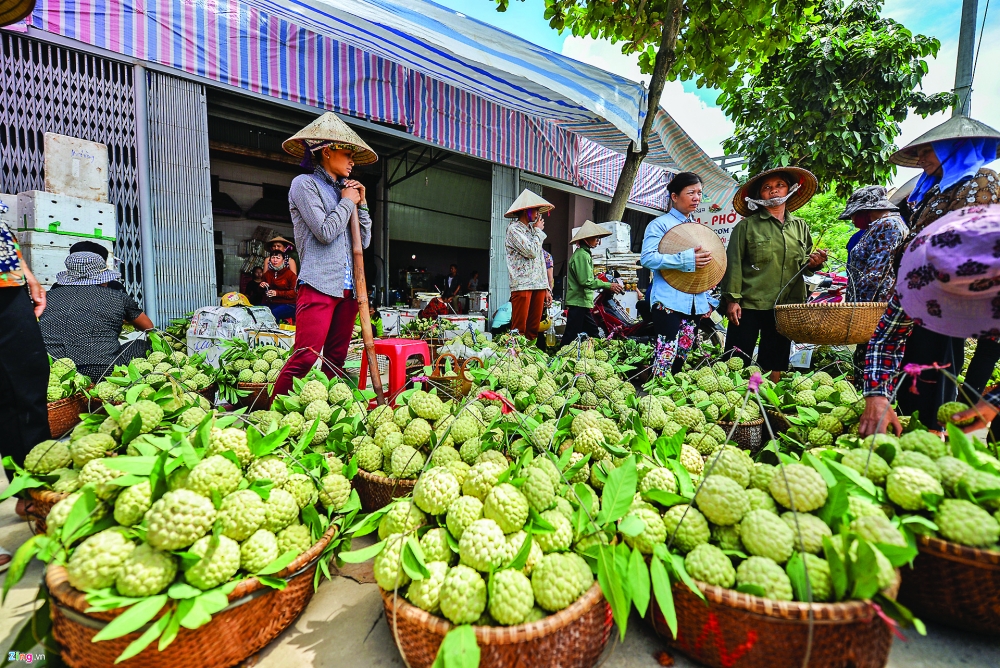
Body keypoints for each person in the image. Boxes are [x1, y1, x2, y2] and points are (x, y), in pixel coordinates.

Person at [862, 116, 1000, 426]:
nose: (921, 159)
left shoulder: (981, 180)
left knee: (935, 370)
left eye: (928, 151)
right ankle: (913, 418)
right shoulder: (934, 189)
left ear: (954, 147)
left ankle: (931, 425)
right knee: (913, 364)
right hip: (922, 286)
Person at [859, 205, 1000, 436]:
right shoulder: (920, 280)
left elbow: (989, 352)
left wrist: (992, 401)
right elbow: (887, 338)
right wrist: (877, 394)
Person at [271, 112, 377, 398]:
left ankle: (324, 410)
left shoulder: (346, 191)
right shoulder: (304, 185)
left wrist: (362, 204)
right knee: (306, 356)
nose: (352, 160)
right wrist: (346, 202)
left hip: (349, 290)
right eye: (348, 153)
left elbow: (363, 242)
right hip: (318, 284)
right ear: (328, 152)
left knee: (335, 360)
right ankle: (267, 412)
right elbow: (325, 232)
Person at [719, 167, 827, 383]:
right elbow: (734, 265)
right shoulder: (746, 227)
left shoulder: (800, 227)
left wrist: (814, 264)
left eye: (780, 186)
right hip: (749, 304)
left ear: (790, 190)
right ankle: (732, 400)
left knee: (775, 358)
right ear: (760, 195)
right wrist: (732, 299)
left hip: (785, 305)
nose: (774, 191)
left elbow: (803, 266)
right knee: (736, 358)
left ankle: (769, 403)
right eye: (767, 188)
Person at [39, 244, 153, 382]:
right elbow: (148, 326)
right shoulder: (117, 297)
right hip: (100, 370)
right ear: (102, 278)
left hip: (51, 369)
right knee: (143, 345)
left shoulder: (47, 297)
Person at [640, 172, 718, 375]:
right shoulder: (659, 225)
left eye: (699, 193)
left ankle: (670, 398)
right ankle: (655, 399)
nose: (696, 198)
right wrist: (685, 260)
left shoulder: (697, 227)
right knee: (665, 356)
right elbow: (648, 258)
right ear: (674, 196)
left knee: (681, 357)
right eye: (690, 192)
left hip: (694, 303)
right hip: (668, 301)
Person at [840, 186, 909, 384]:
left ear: (867, 210)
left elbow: (876, 274)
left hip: (875, 309)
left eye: (854, 215)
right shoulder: (878, 227)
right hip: (869, 310)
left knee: (873, 363)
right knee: (864, 360)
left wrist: (857, 311)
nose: (853, 221)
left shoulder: (889, 226)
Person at [562, 221, 623, 347]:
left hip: (582, 302)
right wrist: (608, 285)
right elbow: (586, 281)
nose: (598, 241)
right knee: (571, 335)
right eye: (596, 238)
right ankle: (560, 357)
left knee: (592, 333)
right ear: (586, 239)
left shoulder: (585, 254)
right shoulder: (581, 256)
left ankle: (597, 354)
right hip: (578, 302)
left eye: (598, 238)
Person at [504, 189, 553, 342]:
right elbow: (531, 251)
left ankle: (529, 357)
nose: (538, 214)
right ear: (526, 211)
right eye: (536, 210)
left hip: (538, 284)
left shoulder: (533, 230)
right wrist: (539, 231)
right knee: (519, 328)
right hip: (522, 284)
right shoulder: (514, 229)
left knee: (533, 328)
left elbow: (540, 261)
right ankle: (515, 358)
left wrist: (547, 288)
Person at [260, 249, 297, 321]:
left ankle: (273, 331)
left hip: (289, 304)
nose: (275, 260)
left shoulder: (290, 275)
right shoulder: (267, 274)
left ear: (283, 261)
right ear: (270, 260)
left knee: (274, 313)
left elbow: (295, 293)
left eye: (278, 258)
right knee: (256, 311)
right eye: (273, 257)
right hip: (271, 304)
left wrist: (277, 293)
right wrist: (261, 286)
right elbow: (260, 293)